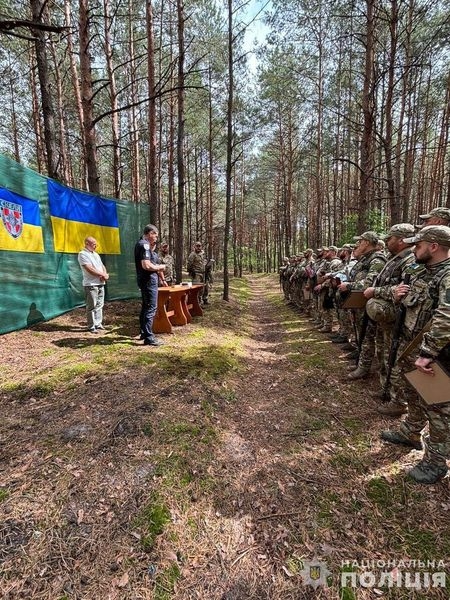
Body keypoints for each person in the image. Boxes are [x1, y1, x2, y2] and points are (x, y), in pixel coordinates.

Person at [380, 225, 450, 483]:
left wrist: (428, 352)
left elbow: (446, 316)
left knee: (438, 405)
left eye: (418, 245)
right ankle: (411, 431)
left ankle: (436, 462)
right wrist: (397, 296)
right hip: (412, 345)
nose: (414, 249)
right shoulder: (422, 271)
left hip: (436, 353)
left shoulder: (448, 275)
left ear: (433, 246)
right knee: (412, 391)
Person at [363, 223, 416, 414]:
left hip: (400, 319)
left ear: (401, 240)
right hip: (388, 317)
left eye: (390, 238)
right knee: (385, 354)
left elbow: (403, 290)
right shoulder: (395, 258)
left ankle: (398, 401)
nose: (386, 241)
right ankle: (386, 389)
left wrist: (375, 291)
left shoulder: (410, 260)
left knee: (396, 360)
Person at [134, 224, 167, 346]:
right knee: (151, 307)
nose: (156, 238)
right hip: (148, 281)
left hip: (145, 280)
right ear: (150, 233)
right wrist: (160, 267)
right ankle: (149, 337)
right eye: (155, 235)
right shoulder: (145, 245)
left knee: (145, 306)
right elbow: (146, 265)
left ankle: (143, 332)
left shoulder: (141, 244)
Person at [78, 236, 109, 333]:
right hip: (91, 284)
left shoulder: (96, 254)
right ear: (86, 243)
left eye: (96, 244)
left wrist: (105, 274)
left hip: (100, 282)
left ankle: (98, 324)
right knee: (92, 305)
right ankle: (91, 326)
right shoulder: (82, 254)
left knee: (100, 304)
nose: (95, 246)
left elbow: (102, 266)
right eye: (93, 244)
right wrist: (102, 274)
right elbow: (89, 268)